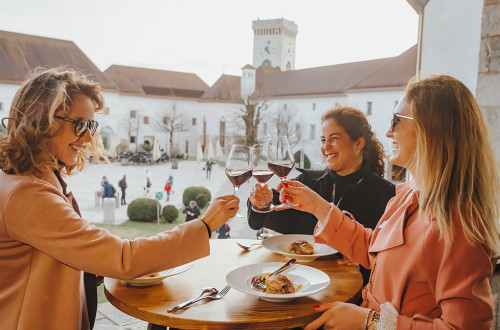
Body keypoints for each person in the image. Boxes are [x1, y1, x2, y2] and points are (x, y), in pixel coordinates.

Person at [0, 67, 240, 329]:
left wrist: (97, 264)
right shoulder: (27, 194)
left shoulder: (28, 177)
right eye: (80, 124)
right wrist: (204, 225)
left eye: (92, 125)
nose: (89, 137)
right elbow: (125, 257)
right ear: (41, 120)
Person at [279, 75, 500, 329]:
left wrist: (368, 322)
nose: (388, 132)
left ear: (431, 129)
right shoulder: (408, 196)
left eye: (396, 121)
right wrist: (317, 206)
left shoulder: (458, 224)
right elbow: (375, 251)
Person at [248, 107, 396, 288]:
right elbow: (259, 219)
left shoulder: (386, 195)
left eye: (334, 139)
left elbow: (389, 260)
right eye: (323, 140)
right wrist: (261, 202)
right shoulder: (308, 181)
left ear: (358, 143)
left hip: (351, 294)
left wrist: (368, 263)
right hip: (300, 285)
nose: (326, 146)